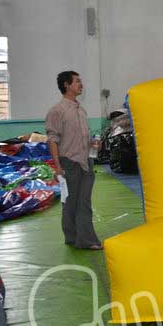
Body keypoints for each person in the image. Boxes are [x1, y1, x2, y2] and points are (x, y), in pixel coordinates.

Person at [45, 71, 102, 250]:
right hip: (69, 162)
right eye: (77, 81)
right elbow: (52, 140)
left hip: (85, 161)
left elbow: (81, 137)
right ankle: (79, 238)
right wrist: (58, 166)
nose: (81, 84)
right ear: (66, 85)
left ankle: (79, 238)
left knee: (81, 201)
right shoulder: (57, 111)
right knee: (72, 201)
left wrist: (93, 144)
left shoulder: (81, 110)